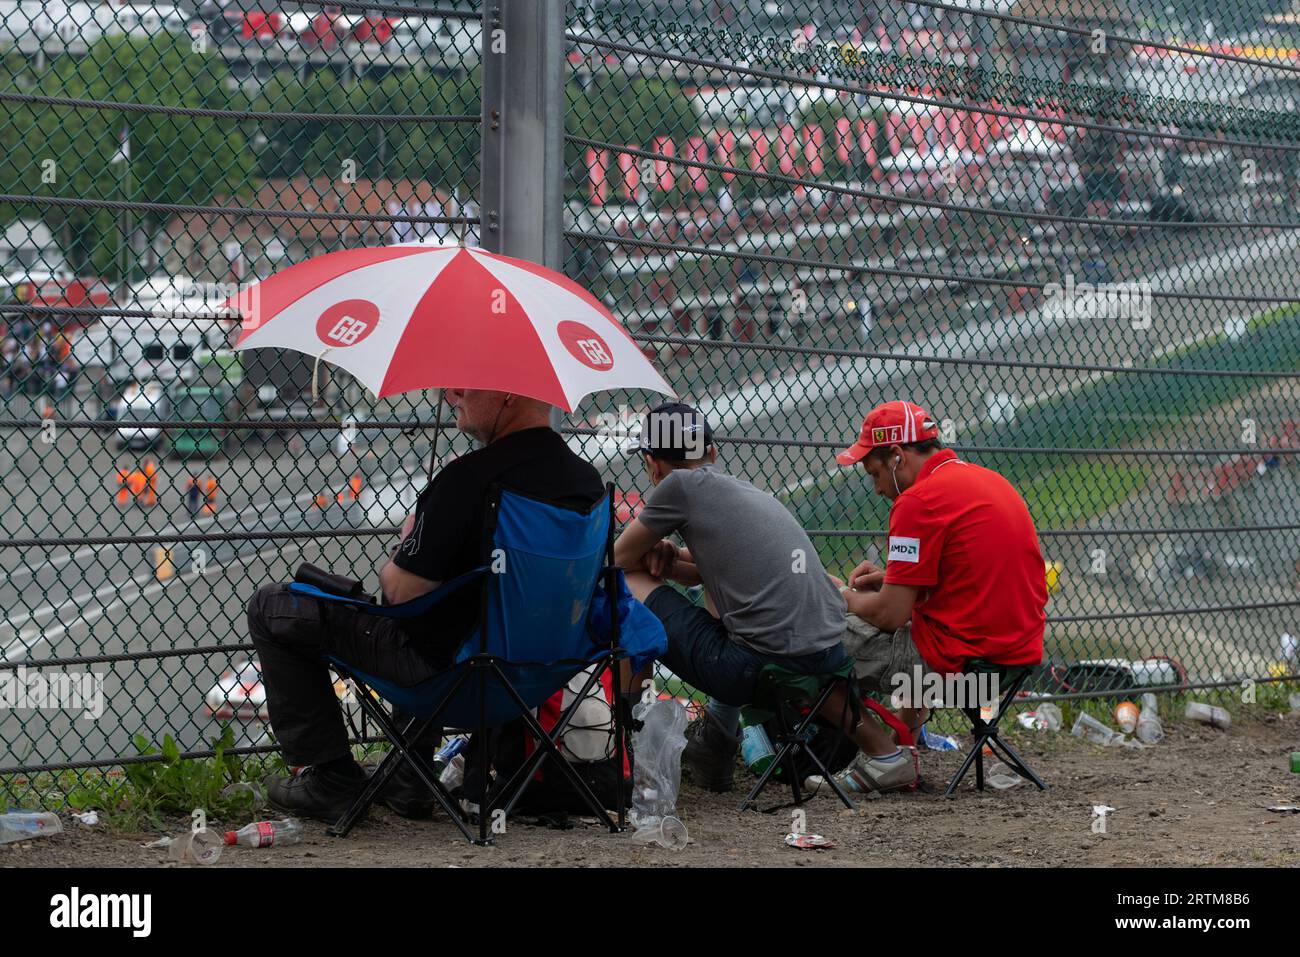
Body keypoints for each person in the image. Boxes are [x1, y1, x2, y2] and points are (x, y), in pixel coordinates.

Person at [248, 389, 605, 823]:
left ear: (507, 395)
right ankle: (406, 777)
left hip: (454, 678)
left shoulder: (469, 479)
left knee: (273, 606)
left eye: (465, 384)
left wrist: (408, 541)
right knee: (447, 609)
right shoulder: (588, 484)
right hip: (538, 675)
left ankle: (333, 781)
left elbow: (399, 591)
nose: (452, 393)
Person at [613, 403, 917, 794]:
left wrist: (655, 552)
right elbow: (721, 571)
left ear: (652, 463)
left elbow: (618, 559)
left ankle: (626, 746)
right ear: (712, 452)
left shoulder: (678, 486)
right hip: (824, 649)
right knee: (793, 654)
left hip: (752, 670)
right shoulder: (743, 491)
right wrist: (670, 561)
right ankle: (886, 755)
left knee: (625, 583)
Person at [833, 400, 1047, 739]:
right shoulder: (986, 480)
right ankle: (903, 744)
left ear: (897, 455)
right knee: (919, 626)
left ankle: (884, 756)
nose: (877, 489)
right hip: (1012, 662)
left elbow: (889, 614)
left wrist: (839, 597)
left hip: (963, 673)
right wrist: (894, 581)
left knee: (815, 638)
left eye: (875, 473)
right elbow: (968, 579)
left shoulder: (918, 502)